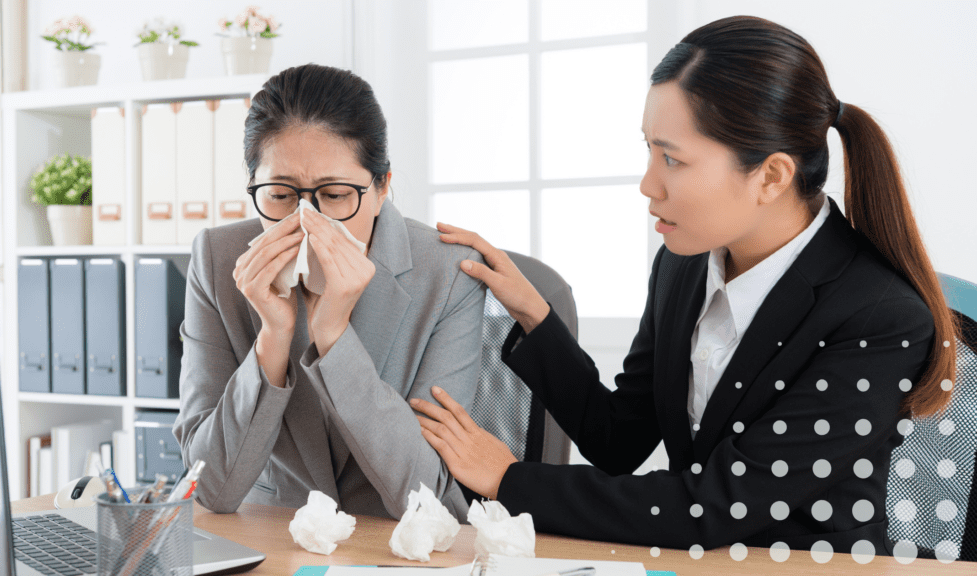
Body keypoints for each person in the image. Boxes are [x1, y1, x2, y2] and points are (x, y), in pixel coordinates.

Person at [412, 16, 965, 555]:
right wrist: (534, 314)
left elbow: (714, 506)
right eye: (649, 150)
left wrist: (509, 479)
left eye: (672, 159)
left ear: (771, 176)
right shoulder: (683, 266)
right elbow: (618, 441)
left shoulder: (878, 315)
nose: (648, 184)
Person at [173, 64, 486, 521]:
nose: (306, 220)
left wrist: (335, 337)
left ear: (382, 189)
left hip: (397, 548)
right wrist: (272, 339)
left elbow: (430, 501)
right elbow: (211, 489)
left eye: (336, 194)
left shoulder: (448, 275)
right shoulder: (218, 261)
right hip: (273, 542)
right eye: (280, 195)